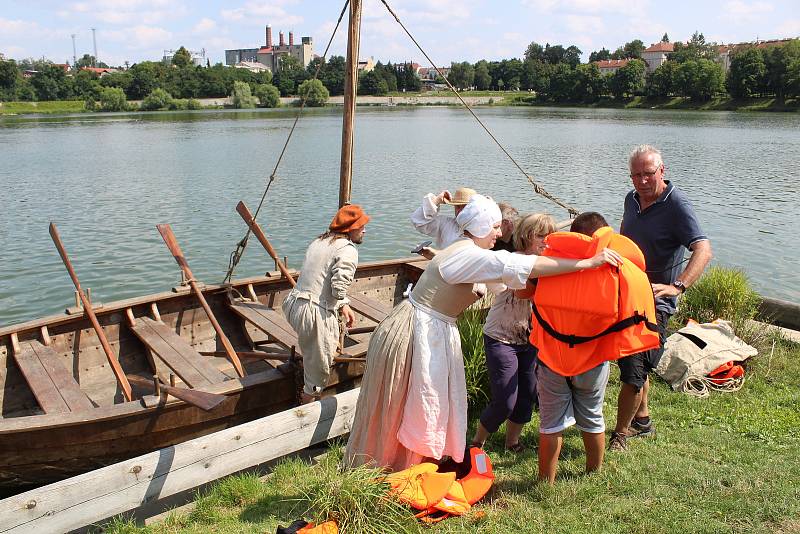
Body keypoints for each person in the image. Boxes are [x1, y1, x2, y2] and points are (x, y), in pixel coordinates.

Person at [345, 195, 622, 471]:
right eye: (495, 227)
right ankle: (392, 465)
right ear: (478, 226)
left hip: (427, 327)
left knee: (420, 399)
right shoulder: (469, 254)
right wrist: (588, 263)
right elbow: (525, 266)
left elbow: (513, 270)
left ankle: (409, 462)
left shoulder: (462, 247)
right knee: (412, 398)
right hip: (419, 331)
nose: (500, 233)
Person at [609, 145, 713, 451]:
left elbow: (703, 249)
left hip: (655, 304)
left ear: (662, 171)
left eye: (648, 174)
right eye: (636, 175)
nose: (642, 181)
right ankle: (642, 419)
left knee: (633, 367)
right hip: (627, 295)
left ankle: (620, 435)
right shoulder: (631, 199)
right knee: (633, 361)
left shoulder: (677, 205)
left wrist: (678, 286)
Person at [534, 212, 615, 484]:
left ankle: (546, 481)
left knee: (550, 423)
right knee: (592, 416)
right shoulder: (612, 272)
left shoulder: (549, 266)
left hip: (552, 358)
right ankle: (593, 472)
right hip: (592, 359)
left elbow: (522, 292)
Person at [470, 213, 555, 453]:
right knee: (505, 400)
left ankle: (512, 441)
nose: (546, 241)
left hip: (529, 339)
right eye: (541, 236)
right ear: (527, 236)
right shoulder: (512, 261)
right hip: (501, 337)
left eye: (550, 236)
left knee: (527, 394)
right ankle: (477, 442)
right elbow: (520, 292)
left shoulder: (549, 263)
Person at [282, 204, 370, 404]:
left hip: (293, 304)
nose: (365, 230)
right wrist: (343, 301)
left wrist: (343, 305)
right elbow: (338, 289)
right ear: (350, 229)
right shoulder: (348, 250)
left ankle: (310, 361)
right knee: (318, 376)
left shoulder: (320, 241)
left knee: (315, 353)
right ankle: (304, 412)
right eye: (361, 226)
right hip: (313, 313)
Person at [410, 187, 476, 249]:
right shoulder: (446, 224)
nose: (460, 211)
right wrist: (436, 201)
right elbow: (418, 221)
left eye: (464, 207)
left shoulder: (482, 229)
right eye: (457, 206)